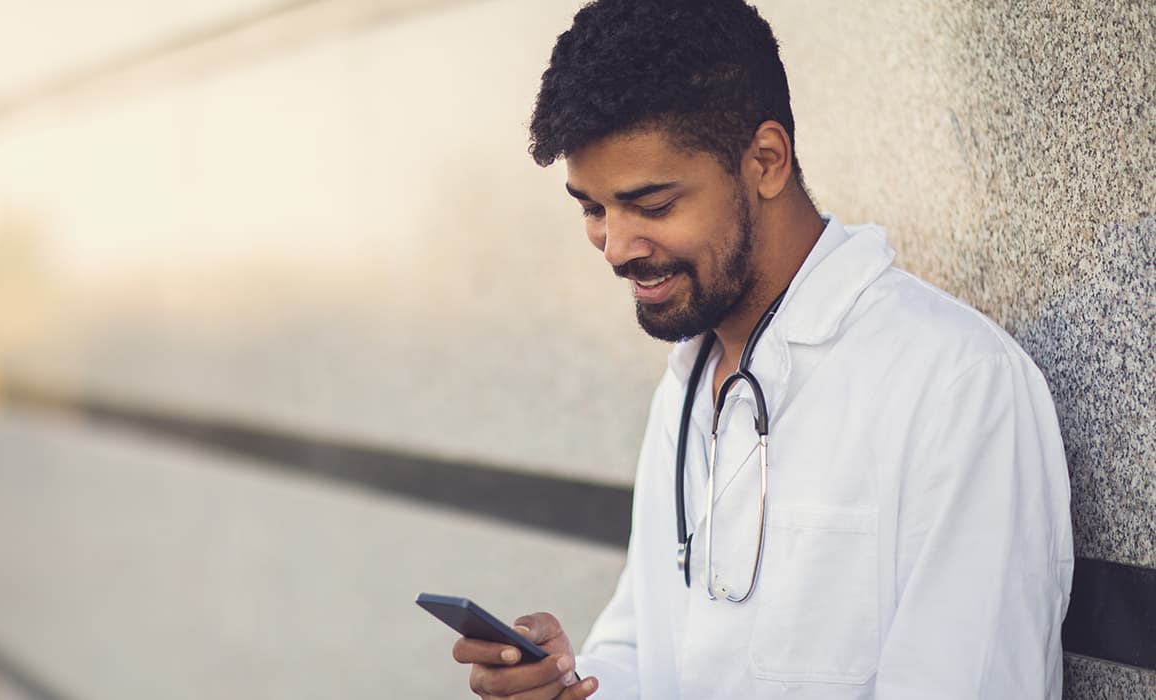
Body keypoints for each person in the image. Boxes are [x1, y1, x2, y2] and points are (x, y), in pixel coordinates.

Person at [449, 1, 1074, 698]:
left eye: (652, 205)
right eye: (593, 208)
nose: (615, 248)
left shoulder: (958, 386)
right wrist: (571, 687)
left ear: (766, 162)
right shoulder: (687, 386)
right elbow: (651, 649)